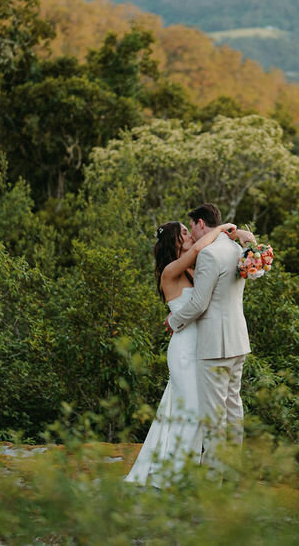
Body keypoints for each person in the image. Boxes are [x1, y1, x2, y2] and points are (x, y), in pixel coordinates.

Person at [125, 217, 254, 486]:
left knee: (191, 409)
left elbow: (214, 256)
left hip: (203, 346)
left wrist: (237, 233)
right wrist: (219, 228)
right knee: (194, 408)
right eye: (185, 232)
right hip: (184, 349)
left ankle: (178, 467)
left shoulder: (194, 268)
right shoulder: (170, 271)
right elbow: (199, 249)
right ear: (175, 241)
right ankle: (173, 473)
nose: (190, 235)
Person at [168, 203, 252, 474]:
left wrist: (173, 321)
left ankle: (213, 482)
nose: (192, 233)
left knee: (214, 417)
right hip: (238, 340)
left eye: (191, 226)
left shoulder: (208, 255)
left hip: (214, 346)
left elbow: (199, 304)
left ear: (201, 224)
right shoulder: (235, 249)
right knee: (233, 410)